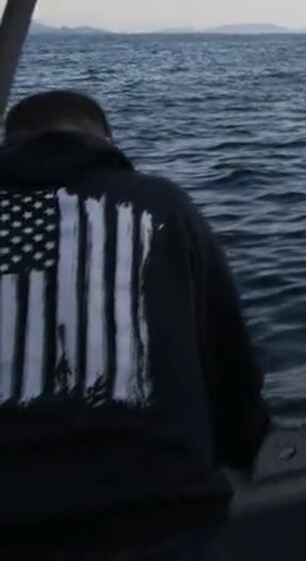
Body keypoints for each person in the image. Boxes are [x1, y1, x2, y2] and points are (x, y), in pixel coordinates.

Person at [0, 90, 272, 559]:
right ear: (106, 139)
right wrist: (249, 445)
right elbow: (226, 355)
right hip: (157, 508)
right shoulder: (161, 203)